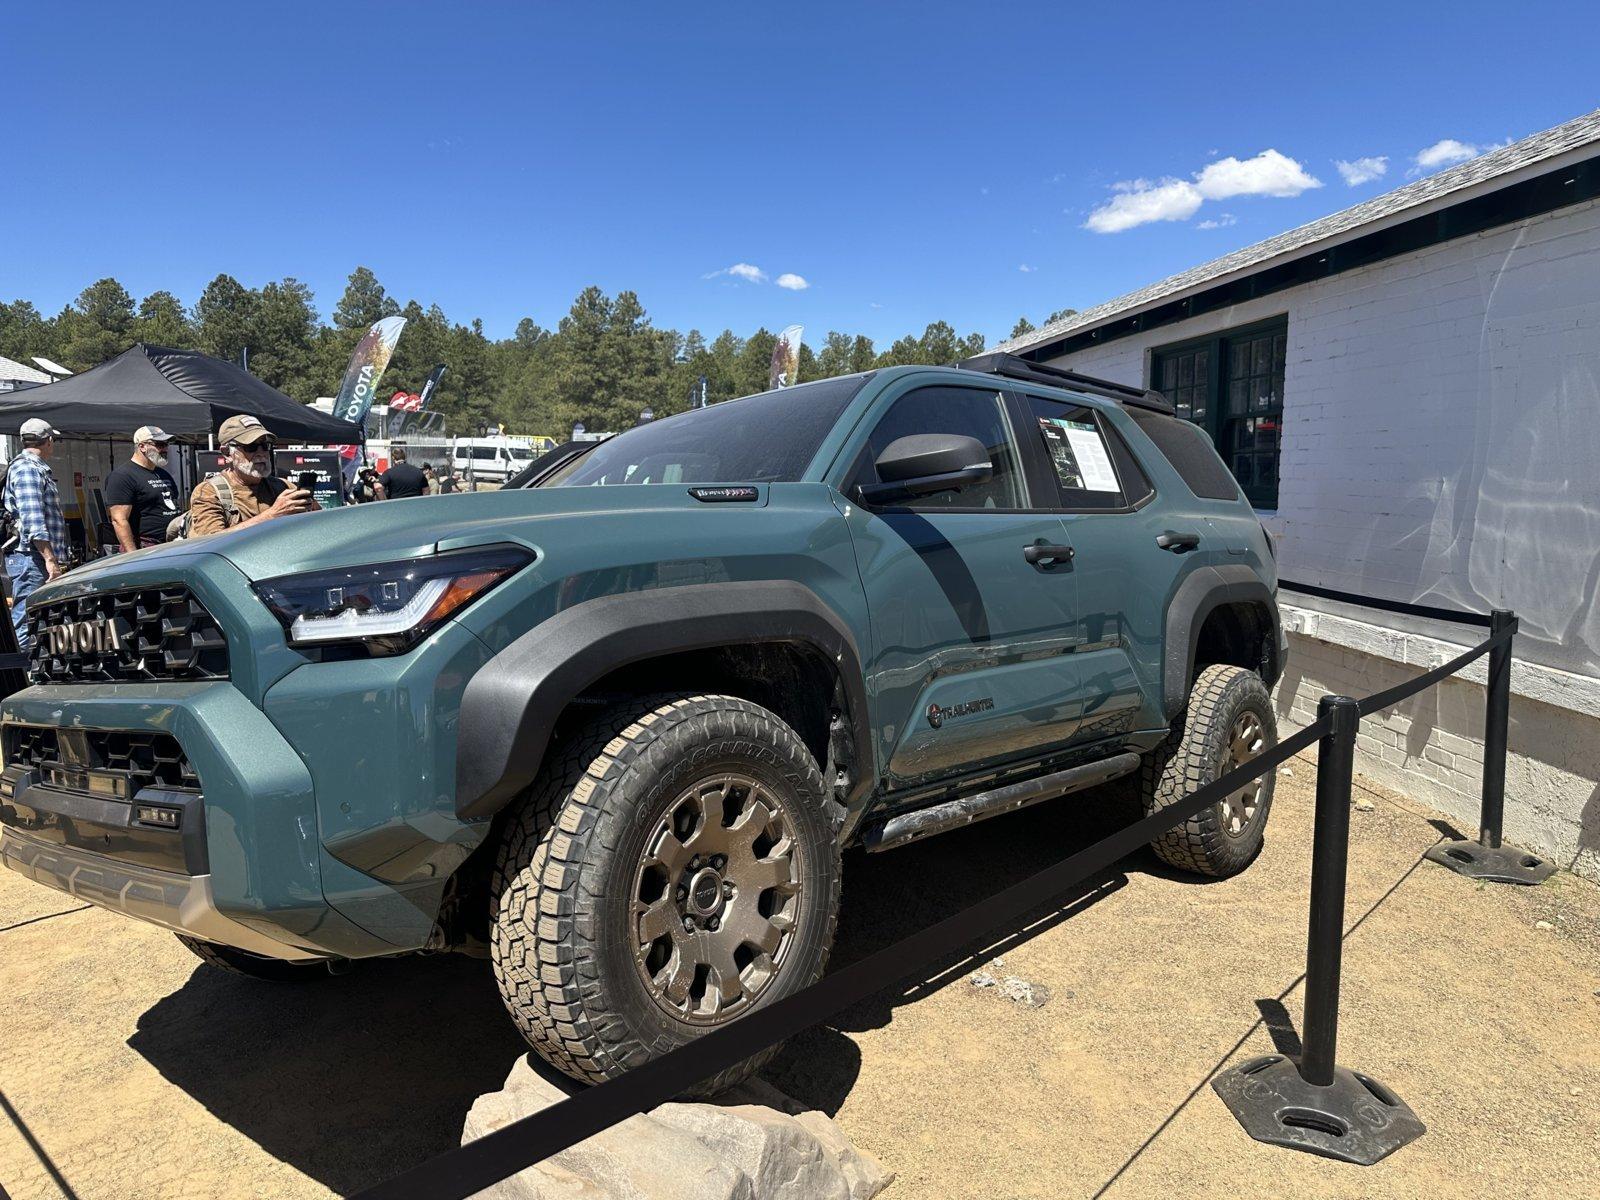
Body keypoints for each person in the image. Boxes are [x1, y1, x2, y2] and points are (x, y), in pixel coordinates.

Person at [3, 417, 71, 650]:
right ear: (48, 441)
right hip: (32, 558)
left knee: (38, 617)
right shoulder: (28, 469)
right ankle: (20, 678)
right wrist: (50, 559)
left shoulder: (29, 467)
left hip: (33, 557)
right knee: (27, 618)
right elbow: (33, 519)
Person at [187, 414, 316, 537]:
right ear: (227, 453)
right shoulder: (209, 492)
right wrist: (272, 515)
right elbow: (209, 542)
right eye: (251, 447)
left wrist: (308, 508)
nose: (261, 453)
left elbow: (319, 522)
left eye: (265, 446)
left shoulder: (282, 486)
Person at [104, 425, 179, 552]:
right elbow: (119, 520)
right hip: (145, 546)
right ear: (142, 446)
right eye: (160, 444)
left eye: (166, 444)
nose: (165, 449)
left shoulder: (163, 474)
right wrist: (132, 555)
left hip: (171, 544)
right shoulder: (122, 476)